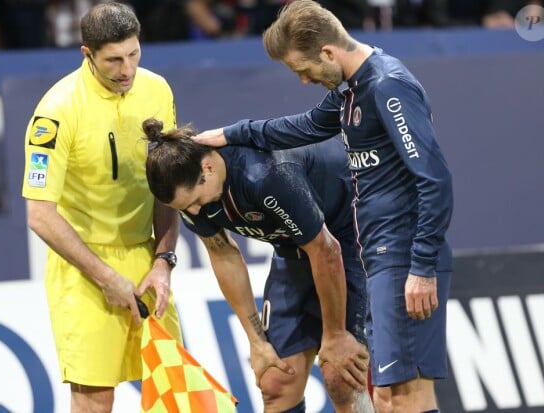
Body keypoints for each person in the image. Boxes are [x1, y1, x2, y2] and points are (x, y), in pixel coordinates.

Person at [192, 1, 454, 412]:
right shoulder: (351, 89)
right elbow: (306, 126)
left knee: (407, 398)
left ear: (328, 53)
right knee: (386, 397)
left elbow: (434, 179)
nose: (302, 79)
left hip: (403, 256)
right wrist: (232, 134)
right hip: (380, 258)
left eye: (303, 68)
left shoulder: (387, 85)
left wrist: (421, 267)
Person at [143, 120, 374, 413]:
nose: (194, 212)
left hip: (351, 237)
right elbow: (223, 254)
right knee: (274, 380)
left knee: (341, 376)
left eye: (196, 201)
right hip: (295, 249)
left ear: (208, 169)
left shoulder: (265, 175)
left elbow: (326, 251)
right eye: (185, 208)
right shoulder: (193, 197)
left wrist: (335, 336)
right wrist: (256, 342)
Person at [21, 3, 182, 412]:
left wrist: (163, 260)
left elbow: (167, 187)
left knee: (172, 386)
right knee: (95, 398)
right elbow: (39, 215)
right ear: (86, 54)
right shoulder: (55, 114)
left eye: (134, 54)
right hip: (83, 270)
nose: (127, 69)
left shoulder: (157, 90)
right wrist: (106, 276)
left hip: (145, 258)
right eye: (113, 60)